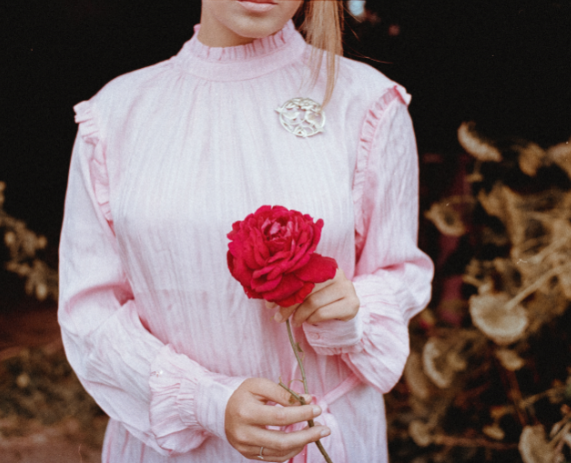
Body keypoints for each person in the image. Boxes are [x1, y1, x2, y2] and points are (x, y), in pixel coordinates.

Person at [58, 0, 434, 461]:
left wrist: (351, 316)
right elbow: (88, 312)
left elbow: (401, 272)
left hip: (321, 443)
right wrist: (206, 401)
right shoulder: (116, 114)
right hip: (175, 449)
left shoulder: (367, 102)